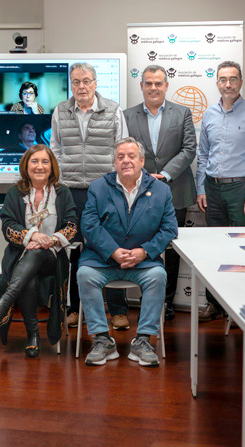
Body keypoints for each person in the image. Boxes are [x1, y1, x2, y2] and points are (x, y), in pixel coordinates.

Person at [77, 138, 178, 367]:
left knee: (158, 277)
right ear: (114, 162)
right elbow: (89, 225)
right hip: (102, 261)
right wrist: (112, 251)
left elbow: (169, 228)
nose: (126, 161)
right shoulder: (98, 187)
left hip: (143, 262)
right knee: (84, 275)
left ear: (142, 161)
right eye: (120, 157)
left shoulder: (161, 190)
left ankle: (143, 340)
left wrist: (145, 251)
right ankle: (103, 339)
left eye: (131, 156)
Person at [50, 62, 131, 331]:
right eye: (75, 82)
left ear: (96, 83)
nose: (81, 86)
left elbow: (122, 150)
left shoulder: (113, 109)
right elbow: (56, 150)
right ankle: (74, 308)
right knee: (73, 250)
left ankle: (118, 310)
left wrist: (116, 185)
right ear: (70, 85)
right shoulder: (61, 111)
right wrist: (59, 184)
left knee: (111, 245)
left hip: (105, 190)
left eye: (86, 81)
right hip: (71, 191)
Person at [0, 144, 77, 357]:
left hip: (52, 258)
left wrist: (50, 240)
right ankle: (32, 337)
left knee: (37, 253)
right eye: (34, 161)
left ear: (52, 167)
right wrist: (33, 236)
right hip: (21, 259)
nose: (40, 166)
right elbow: (7, 226)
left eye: (45, 162)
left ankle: (5, 300)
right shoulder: (15, 193)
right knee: (29, 279)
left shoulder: (63, 193)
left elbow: (71, 227)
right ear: (26, 166)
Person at [195, 61, 245, 321]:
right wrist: (201, 187)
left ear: (240, 82)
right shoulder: (208, 114)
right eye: (223, 79)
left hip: (241, 189)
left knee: (242, 250)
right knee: (215, 249)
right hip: (213, 189)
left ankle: (240, 306)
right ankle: (215, 303)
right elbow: (202, 154)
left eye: (233, 79)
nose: (228, 84)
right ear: (217, 82)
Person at [124, 65, 196, 322]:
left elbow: (189, 149)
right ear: (141, 86)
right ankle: (147, 299)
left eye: (158, 83)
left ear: (166, 86)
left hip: (174, 188)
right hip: (138, 191)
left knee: (171, 246)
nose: (153, 88)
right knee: (143, 243)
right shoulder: (127, 116)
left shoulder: (183, 112)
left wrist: (164, 175)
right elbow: (125, 153)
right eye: (148, 83)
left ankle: (166, 301)